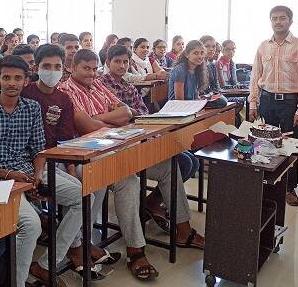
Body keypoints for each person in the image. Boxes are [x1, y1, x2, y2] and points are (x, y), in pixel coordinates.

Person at [60, 49, 204, 279]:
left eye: (94, 68)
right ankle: (135, 251)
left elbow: (126, 112)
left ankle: (183, 230)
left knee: (168, 165)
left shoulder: (97, 85)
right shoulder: (66, 90)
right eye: (85, 68)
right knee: (128, 181)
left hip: (120, 147)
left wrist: (100, 119)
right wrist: (111, 120)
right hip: (91, 156)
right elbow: (85, 126)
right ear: (72, 67)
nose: (91, 73)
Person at [0, 55, 85, 287]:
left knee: (82, 194)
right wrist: (9, 175)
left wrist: (36, 177)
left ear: (26, 81)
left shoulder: (31, 108)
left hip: (28, 173)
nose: (12, 83)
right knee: (31, 226)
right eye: (6, 77)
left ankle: (47, 264)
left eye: (18, 78)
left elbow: (39, 149)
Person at [21, 45, 119, 271]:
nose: (52, 71)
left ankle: (81, 240)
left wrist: (72, 167)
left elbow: (65, 138)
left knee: (95, 177)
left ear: (63, 68)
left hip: (58, 157)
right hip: (33, 161)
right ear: (36, 68)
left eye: (57, 66)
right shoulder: (27, 93)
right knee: (81, 195)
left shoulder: (63, 99)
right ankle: (74, 248)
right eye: (46, 66)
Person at [101, 44, 200, 186]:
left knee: (193, 161)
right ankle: (157, 199)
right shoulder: (101, 85)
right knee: (184, 163)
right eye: (117, 61)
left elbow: (143, 112)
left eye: (125, 62)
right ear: (108, 62)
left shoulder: (129, 87)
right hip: (122, 140)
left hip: (140, 133)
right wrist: (129, 113)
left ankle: (155, 199)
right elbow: (113, 117)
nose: (122, 66)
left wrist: (128, 111)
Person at [248, 6, 298, 207]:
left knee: (290, 145)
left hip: (290, 102)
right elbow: (255, 76)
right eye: (274, 18)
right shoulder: (263, 46)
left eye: (282, 18)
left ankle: (289, 188)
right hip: (267, 100)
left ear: (290, 21)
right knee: (264, 143)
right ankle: (266, 184)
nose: (278, 22)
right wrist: (253, 102)